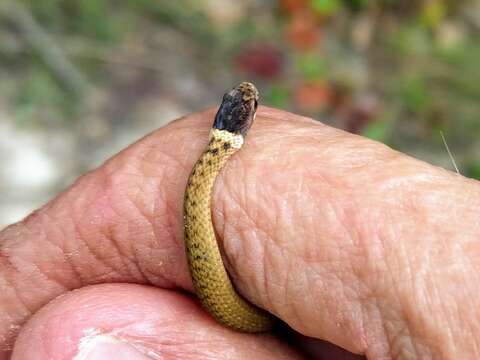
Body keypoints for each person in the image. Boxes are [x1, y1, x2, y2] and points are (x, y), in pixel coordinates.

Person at [1, 107, 478, 359]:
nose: (249, 102)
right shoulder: (206, 168)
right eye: (247, 108)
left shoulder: (208, 168)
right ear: (238, 127)